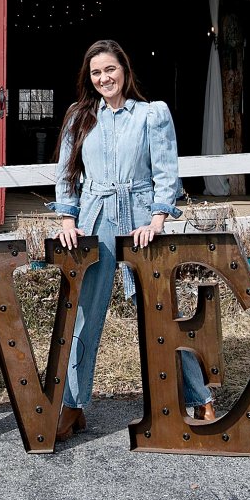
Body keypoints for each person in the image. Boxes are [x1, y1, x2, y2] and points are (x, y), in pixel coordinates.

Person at [48, 39, 216, 442]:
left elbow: (165, 170)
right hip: (95, 218)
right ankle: (72, 405)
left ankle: (199, 397)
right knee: (85, 313)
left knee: (162, 312)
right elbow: (67, 173)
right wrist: (68, 219)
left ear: (124, 69)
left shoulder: (150, 114)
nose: (104, 78)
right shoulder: (80, 116)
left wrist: (157, 219)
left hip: (140, 218)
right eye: (96, 72)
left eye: (110, 69)